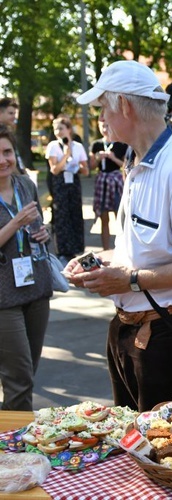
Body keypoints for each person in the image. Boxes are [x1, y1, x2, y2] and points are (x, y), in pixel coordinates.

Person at [67, 60, 172, 412]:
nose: (100, 118)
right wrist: (97, 263)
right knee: (134, 447)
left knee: (164, 455)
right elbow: (139, 248)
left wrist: (131, 281)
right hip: (134, 331)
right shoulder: (138, 162)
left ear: (124, 105)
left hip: (168, 337)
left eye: (102, 108)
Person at [0, 127, 52, 410]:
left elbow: (38, 226)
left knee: (25, 373)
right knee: (19, 381)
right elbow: (19, 224)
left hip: (35, 287)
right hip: (3, 298)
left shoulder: (25, 185)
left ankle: (11, 438)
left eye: (6, 152)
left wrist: (43, 233)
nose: (2, 160)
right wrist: (15, 223)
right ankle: (14, 449)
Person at [45, 115, 88, 264]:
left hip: (73, 183)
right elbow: (54, 170)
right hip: (59, 183)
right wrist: (66, 155)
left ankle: (77, 248)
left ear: (69, 129)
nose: (58, 131)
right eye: (55, 129)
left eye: (61, 128)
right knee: (61, 216)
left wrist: (79, 166)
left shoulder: (78, 146)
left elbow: (86, 170)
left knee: (75, 213)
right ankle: (63, 251)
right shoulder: (53, 146)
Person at [90, 121, 127, 251]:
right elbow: (91, 166)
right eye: (102, 126)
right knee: (104, 218)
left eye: (107, 125)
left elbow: (125, 166)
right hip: (102, 180)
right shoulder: (96, 144)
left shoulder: (121, 144)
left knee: (120, 217)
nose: (105, 129)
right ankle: (106, 249)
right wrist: (97, 158)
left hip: (116, 181)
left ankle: (121, 248)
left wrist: (113, 158)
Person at [0, 98, 25, 175]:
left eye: (15, 114)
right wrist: (20, 177)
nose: (14, 117)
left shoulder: (8, 132)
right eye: (11, 113)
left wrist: (23, 172)